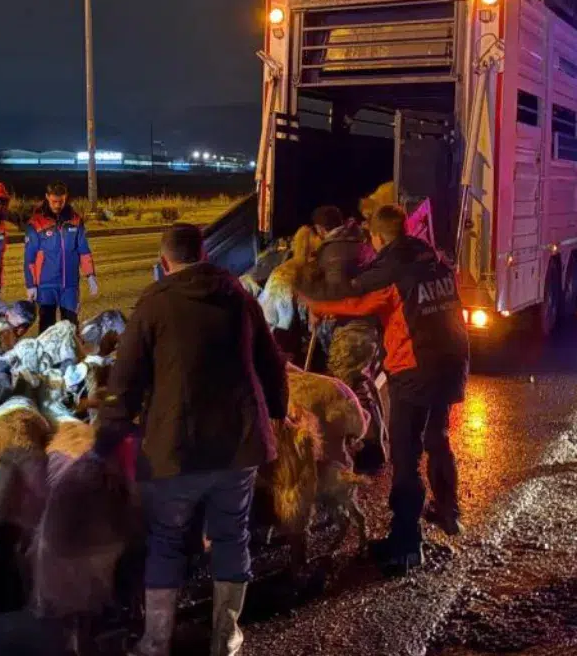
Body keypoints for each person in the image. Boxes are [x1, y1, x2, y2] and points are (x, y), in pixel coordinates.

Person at [93, 223, 289, 656]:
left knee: (166, 538)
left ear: (164, 263)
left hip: (176, 446)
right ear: (204, 254)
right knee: (232, 534)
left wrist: (104, 442)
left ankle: (156, 641)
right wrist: (277, 412)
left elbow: (124, 383)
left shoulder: (154, 303)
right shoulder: (238, 297)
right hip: (239, 444)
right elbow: (271, 364)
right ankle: (226, 636)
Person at [296, 204, 468, 575]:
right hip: (452, 362)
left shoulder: (391, 271)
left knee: (405, 455)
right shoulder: (435, 260)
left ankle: (405, 544)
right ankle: (448, 509)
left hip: (414, 369)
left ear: (376, 238)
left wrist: (316, 305)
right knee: (438, 435)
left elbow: (356, 301)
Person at [310, 205, 387, 472]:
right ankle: (378, 441)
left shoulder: (331, 252)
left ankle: (369, 448)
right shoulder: (360, 242)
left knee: (351, 386)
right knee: (363, 383)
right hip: (369, 326)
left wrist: (319, 305)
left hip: (352, 329)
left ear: (320, 231)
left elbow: (335, 292)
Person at [24, 181, 99, 333]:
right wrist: (31, 284)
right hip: (46, 286)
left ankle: (71, 356)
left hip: (69, 285)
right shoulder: (36, 223)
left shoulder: (75, 221)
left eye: (61, 201)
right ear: (47, 197)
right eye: (54, 201)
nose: (57, 205)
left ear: (66, 198)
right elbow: (29, 258)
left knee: (71, 327)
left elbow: (83, 251)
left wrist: (90, 275)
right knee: (47, 328)